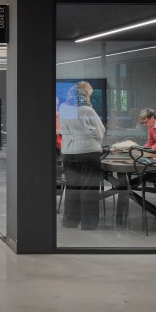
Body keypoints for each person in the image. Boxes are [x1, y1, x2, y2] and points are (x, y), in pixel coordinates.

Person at [57, 81, 105, 230]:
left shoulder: (63, 108)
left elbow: (65, 129)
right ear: (85, 94)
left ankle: (70, 221)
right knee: (89, 189)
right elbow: (99, 130)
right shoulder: (87, 110)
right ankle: (88, 224)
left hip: (68, 152)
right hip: (87, 152)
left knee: (72, 188)